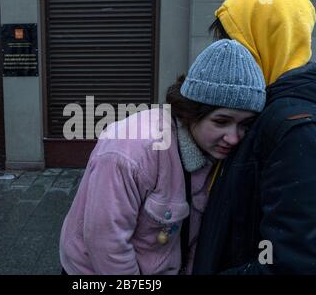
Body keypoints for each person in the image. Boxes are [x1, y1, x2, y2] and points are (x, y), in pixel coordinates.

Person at [59, 39, 266, 275]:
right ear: (191, 112)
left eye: (245, 125)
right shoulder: (131, 152)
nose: (234, 138)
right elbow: (107, 243)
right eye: (221, 121)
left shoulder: (213, 148)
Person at [193, 0, 316, 274]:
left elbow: (305, 262)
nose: (229, 58)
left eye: (236, 44)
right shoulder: (268, 110)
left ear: (266, 41)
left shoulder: (297, 127)